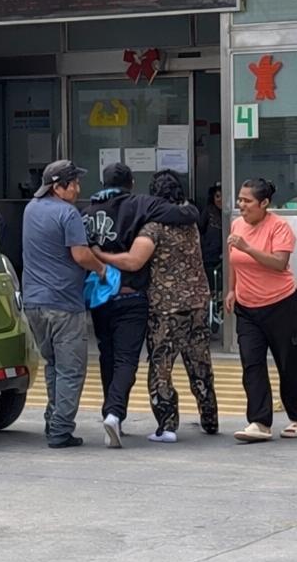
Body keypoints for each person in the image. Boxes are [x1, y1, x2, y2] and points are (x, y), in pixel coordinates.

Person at [94, 170, 219, 442]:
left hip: (166, 308)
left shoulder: (152, 228)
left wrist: (100, 255)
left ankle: (167, 427)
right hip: (197, 301)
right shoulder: (191, 223)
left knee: (161, 366)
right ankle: (209, 419)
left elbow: (133, 261)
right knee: (199, 362)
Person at [21, 160, 103, 450]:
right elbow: (81, 255)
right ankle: (60, 430)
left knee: (53, 364)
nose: (78, 189)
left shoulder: (31, 209)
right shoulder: (68, 214)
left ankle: (52, 419)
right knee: (71, 369)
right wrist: (101, 269)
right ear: (58, 187)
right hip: (64, 304)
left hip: (34, 302)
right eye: (74, 184)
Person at [226, 178, 297, 442]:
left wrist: (248, 247)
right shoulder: (237, 225)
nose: (241, 205)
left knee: (289, 362)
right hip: (247, 307)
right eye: (240, 199)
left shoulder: (279, 228)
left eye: (247, 201)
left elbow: (279, 264)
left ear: (264, 204)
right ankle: (259, 422)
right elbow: (234, 262)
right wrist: (231, 290)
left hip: (280, 304)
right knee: (251, 363)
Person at [198, 184, 225, 294]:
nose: (220, 199)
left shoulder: (233, 213)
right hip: (210, 255)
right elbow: (200, 229)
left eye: (223, 196)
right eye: (217, 196)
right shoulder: (209, 211)